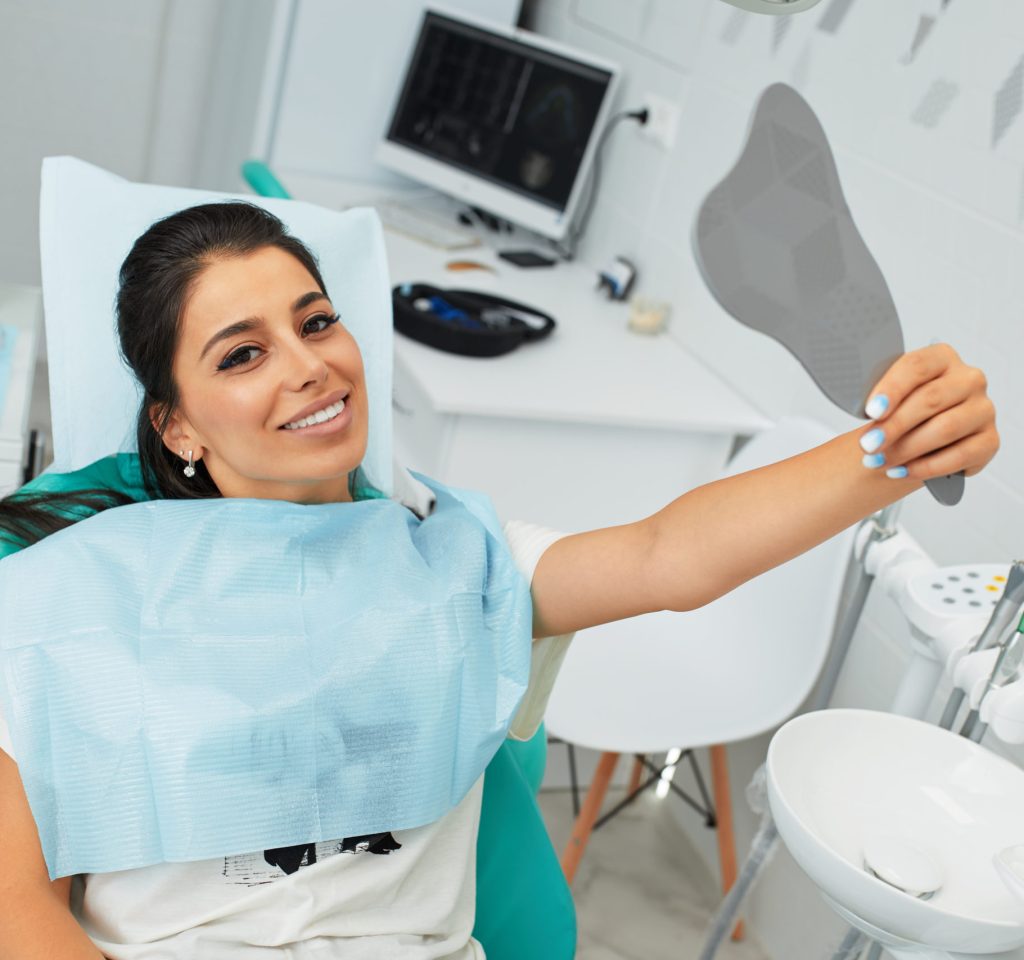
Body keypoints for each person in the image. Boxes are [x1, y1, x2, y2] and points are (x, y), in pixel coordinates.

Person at [0, 202, 999, 960]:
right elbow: (17, 910)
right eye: (245, 354)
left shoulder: (460, 563)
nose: (308, 367)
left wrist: (894, 449)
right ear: (176, 422)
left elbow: (670, 556)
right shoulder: (61, 602)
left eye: (317, 323)